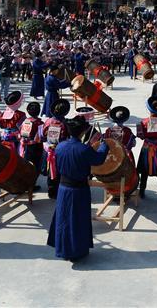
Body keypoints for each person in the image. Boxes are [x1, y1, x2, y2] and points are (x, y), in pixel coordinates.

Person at [47, 118, 109, 263]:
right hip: (79, 190)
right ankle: (77, 250)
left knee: (64, 219)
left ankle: (63, 249)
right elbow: (98, 159)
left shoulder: (60, 146)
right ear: (83, 132)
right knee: (77, 220)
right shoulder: (84, 149)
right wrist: (103, 146)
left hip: (63, 188)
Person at [43, 99, 71, 199]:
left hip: (49, 150)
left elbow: (43, 134)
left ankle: (51, 191)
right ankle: (59, 191)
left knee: (51, 170)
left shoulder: (48, 121)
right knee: (60, 171)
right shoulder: (65, 123)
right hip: (61, 151)